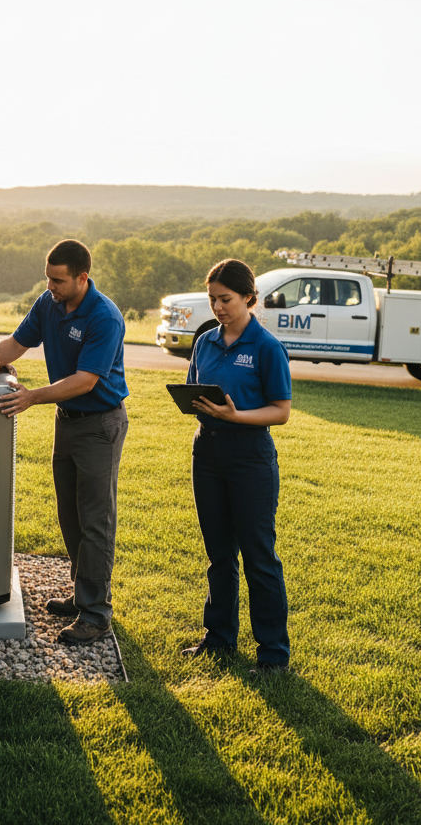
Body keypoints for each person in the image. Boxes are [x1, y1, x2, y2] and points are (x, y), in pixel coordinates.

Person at [0, 239, 129, 646]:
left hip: (100, 425)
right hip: (69, 420)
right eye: (48, 278)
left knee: (95, 520)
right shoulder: (49, 304)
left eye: (59, 281)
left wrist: (31, 397)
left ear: (83, 278)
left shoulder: (104, 317)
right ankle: (83, 595)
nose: (51, 287)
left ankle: (96, 615)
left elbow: (86, 380)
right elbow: (16, 343)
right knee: (70, 514)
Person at [182, 259, 292, 675]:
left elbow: (280, 412)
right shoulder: (205, 342)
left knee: (259, 557)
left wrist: (234, 417)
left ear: (249, 298)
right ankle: (220, 637)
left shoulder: (266, 347)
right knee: (219, 555)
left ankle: (273, 655)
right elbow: (197, 386)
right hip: (206, 454)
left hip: (250, 458)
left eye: (225, 299)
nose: (218, 307)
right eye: (212, 299)